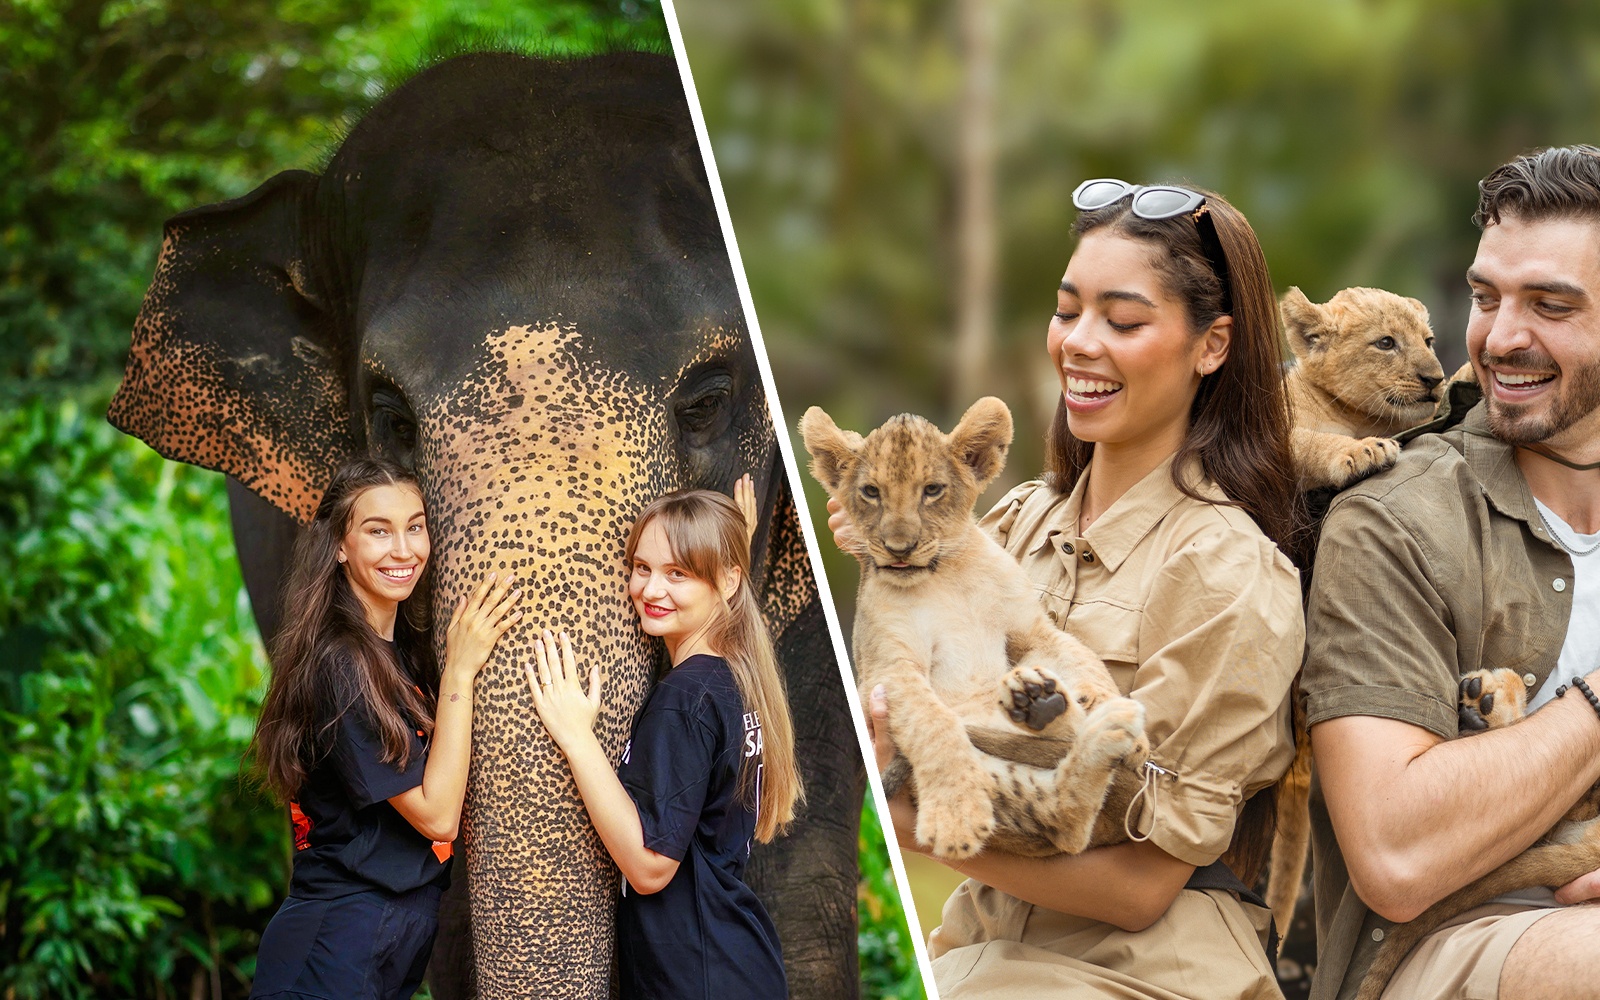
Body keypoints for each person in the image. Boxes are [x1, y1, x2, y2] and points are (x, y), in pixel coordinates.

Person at [834, 180, 1308, 998]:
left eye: (1122, 322)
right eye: (1066, 312)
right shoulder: (1012, 522)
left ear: (1212, 345)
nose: (1079, 344)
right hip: (975, 951)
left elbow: (1139, 889)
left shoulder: (1232, 574)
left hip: (1140, 971)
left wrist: (914, 818)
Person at [1302, 145, 1600, 1000]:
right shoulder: (1393, 518)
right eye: (1484, 298)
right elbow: (1397, 854)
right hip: (1446, 940)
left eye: (1549, 305)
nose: (1500, 336)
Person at [247, 458, 522, 1000]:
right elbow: (438, 816)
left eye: (415, 527)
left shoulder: (401, 656)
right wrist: (462, 671)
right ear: (339, 546)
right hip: (334, 942)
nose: (403, 550)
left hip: (390, 938)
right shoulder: (340, 664)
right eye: (378, 531)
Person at [526, 478, 803, 999]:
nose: (650, 590)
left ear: (727, 581)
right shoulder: (739, 682)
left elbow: (651, 866)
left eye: (677, 573)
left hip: (695, 976)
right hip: (732, 962)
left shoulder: (688, 696)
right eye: (641, 568)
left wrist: (576, 737)